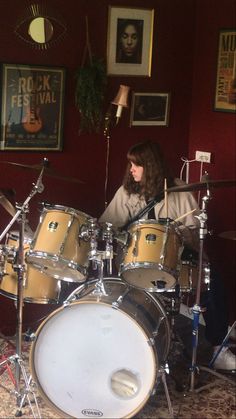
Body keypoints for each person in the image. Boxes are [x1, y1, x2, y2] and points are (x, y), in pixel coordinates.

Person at [99, 140, 236, 371]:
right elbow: (107, 225)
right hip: (136, 262)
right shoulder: (126, 193)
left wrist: (178, 233)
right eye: (130, 164)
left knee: (214, 282)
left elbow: (195, 233)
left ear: (150, 166)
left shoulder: (180, 190)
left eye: (137, 165)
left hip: (177, 260)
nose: (131, 170)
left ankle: (217, 348)